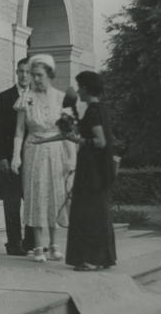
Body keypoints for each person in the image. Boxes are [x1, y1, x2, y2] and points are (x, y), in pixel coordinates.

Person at [11, 54, 75, 262]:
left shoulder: (60, 98)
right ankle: (38, 246)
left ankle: (54, 244)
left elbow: (67, 131)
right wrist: (15, 156)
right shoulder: (26, 98)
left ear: (50, 74)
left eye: (39, 75)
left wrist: (70, 158)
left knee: (55, 195)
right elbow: (19, 130)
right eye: (33, 75)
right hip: (34, 150)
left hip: (55, 151)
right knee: (37, 194)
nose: (35, 79)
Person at [65, 71, 117, 271]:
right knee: (98, 211)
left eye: (80, 87)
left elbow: (100, 141)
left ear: (86, 88)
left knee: (88, 212)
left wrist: (77, 140)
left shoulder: (93, 111)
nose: (78, 91)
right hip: (97, 169)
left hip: (91, 170)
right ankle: (102, 258)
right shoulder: (99, 109)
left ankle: (91, 259)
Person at [0, 57, 35, 256]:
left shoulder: (39, 97)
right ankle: (14, 243)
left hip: (34, 157)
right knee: (12, 202)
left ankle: (31, 242)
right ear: (16, 72)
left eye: (27, 71)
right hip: (10, 157)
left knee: (33, 201)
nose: (24, 75)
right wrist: (1, 157)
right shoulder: (4, 97)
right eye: (21, 71)